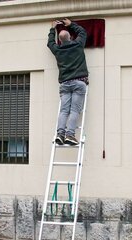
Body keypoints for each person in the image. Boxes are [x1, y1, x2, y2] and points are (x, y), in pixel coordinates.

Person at [47, 18, 88, 146]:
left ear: (60, 40)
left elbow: (50, 43)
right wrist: (71, 25)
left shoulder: (58, 50)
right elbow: (82, 32)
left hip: (65, 84)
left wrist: (52, 29)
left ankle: (60, 134)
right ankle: (70, 135)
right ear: (70, 37)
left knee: (64, 110)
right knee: (75, 110)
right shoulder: (78, 44)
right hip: (79, 82)